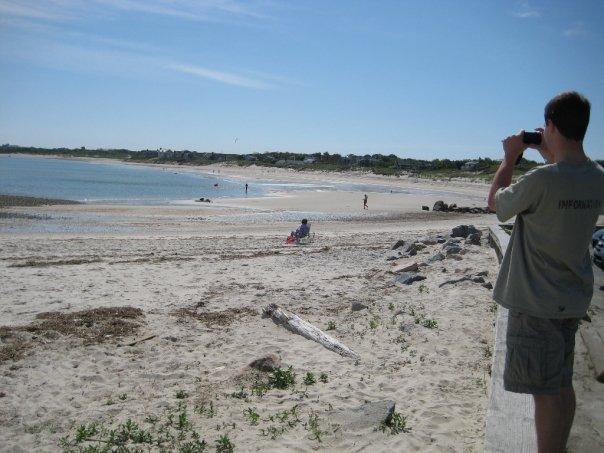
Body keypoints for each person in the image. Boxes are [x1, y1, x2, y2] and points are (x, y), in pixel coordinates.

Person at [487, 91, 604, 453]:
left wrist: (510, 157)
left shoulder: (541, 181)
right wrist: (551, 151)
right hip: (569, 299)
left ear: (550, 125)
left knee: (544, 392)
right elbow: (569, 175)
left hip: (536, 302)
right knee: (560, 384)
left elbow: (497, 205)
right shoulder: (597, 177)